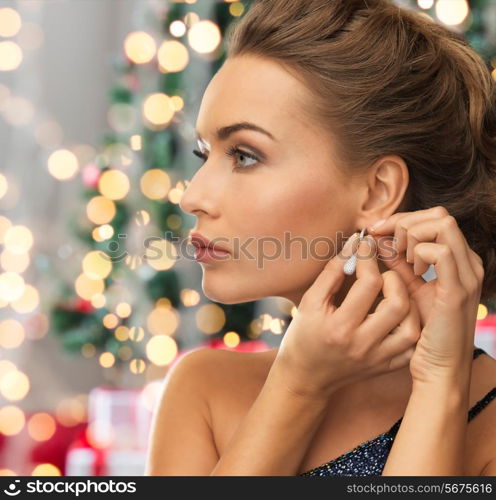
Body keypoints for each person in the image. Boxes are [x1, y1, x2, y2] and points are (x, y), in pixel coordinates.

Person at [145, 0, 496, 476]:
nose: (192, 197)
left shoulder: (487, 417)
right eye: (204, 152)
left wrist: (441, 381)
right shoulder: (204, 390)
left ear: (377, 191)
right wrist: (297, 385)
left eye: (245, 155)